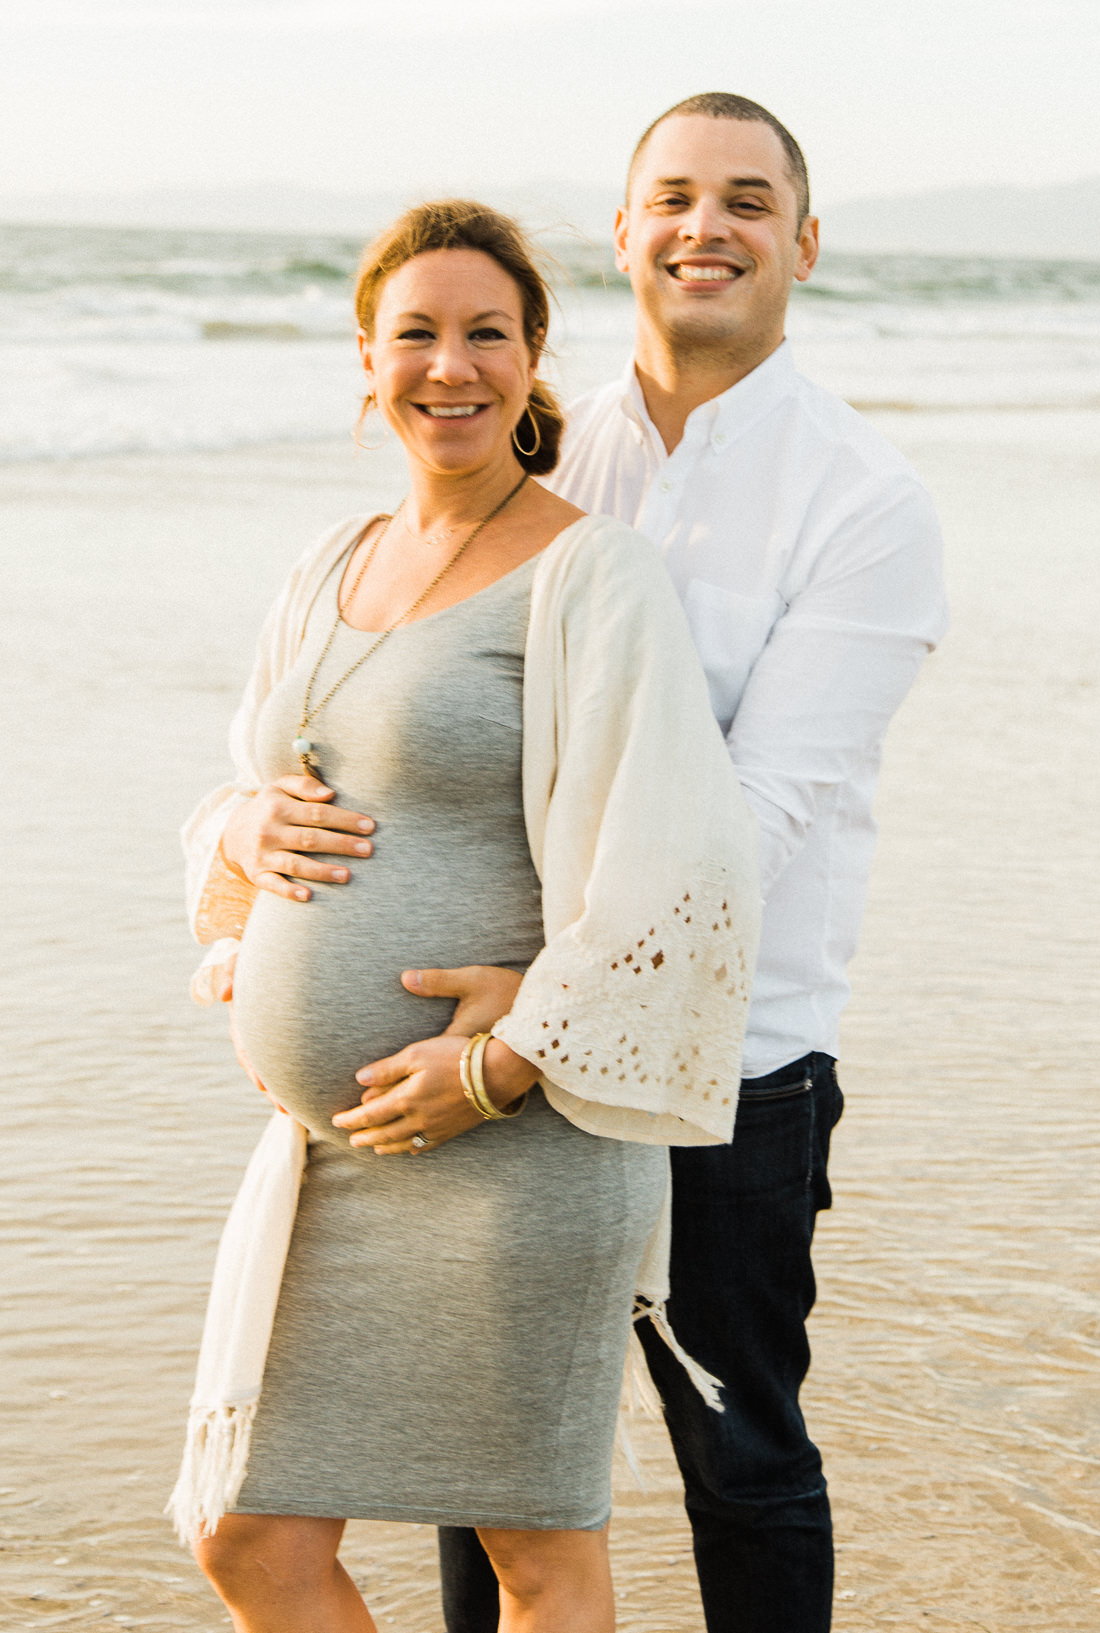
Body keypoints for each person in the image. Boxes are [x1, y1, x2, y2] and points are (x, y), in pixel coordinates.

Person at [170, 198, 760, 1633]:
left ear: (533, 356)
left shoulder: (589, 572)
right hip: (336, 1153)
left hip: (520, 1149)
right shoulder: (328, 558)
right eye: (415, 334)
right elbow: (257, 777)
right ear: (365, 361)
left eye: (485, 333)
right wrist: (241, 851)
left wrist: (504, 1060)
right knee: (250, 1535)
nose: (452, 366)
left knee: (536, 1561)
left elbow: (682, 862)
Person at [426, 96, 949, 1633]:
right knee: (499, 1454)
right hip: (494, 1035)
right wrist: (250, 825)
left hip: (733, 1058)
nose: (700, 225)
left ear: (801, 239)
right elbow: (412, 685)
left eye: (742, 198)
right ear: (620, 232)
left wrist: (546, 1016)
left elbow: (756, 816)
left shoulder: (862, 502)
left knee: (737, 1447)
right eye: (668, 195)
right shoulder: (535, 448)